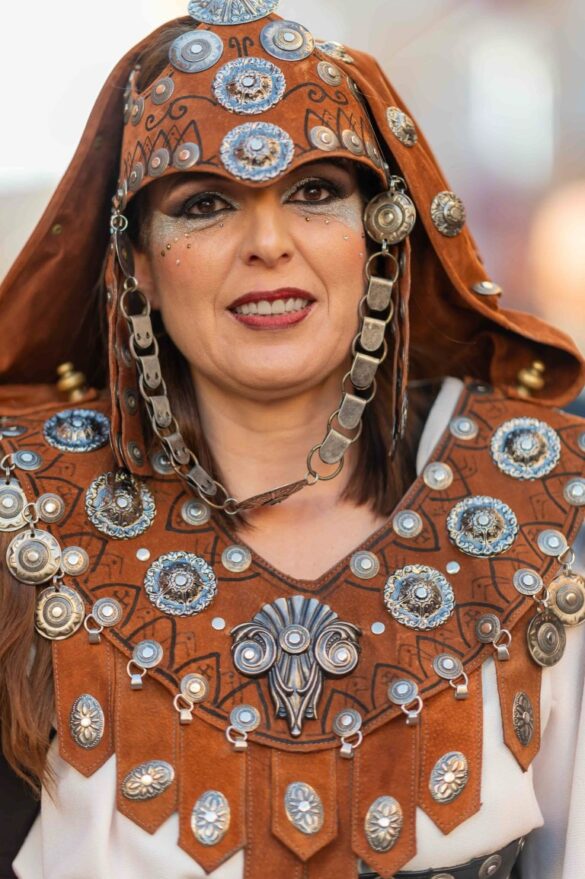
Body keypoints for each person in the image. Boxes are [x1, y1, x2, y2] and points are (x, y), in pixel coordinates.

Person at [1, 2, 584, 877]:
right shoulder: (28, 513)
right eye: (205, 204)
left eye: (313, 192)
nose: (268, 244)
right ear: (139, 266)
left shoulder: (533, 500)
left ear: (378, 233)